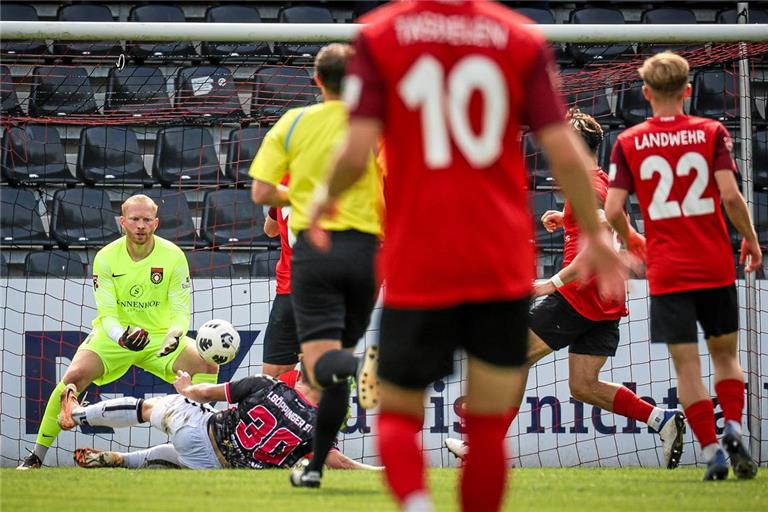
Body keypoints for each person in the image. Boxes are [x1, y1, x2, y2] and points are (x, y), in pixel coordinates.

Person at [308, 2, 628, 510]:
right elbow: (565, 149)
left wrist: (323, 201)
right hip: (498, 257)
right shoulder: (517, 36)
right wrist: (595, 232)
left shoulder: (383, 34)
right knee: (486, 420)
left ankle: (416, 502)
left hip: (421, 254)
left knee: (396, 409)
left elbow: (357, 147)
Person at [443, 109, 685, 468]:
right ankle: (661, 420)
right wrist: (570, 222)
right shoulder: (599, 180)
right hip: (605, 299)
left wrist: (549, 283)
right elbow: (617, 223)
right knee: (584, 386)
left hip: (579, 293)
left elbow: (595, 248)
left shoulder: (586, 184)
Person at [604, 52, 762, 481]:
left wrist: (634, 237)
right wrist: (749, 237)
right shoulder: (711, 132)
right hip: (712, 264)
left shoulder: (628, 141)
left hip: (668, 271)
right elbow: (730, 196)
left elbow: (612, 206)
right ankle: (732, 425)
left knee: (686, 367)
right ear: (688, 90)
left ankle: (711, 450)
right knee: (726, 358)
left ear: (646, 93)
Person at [249, 43, 383, 488]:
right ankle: (316, 460)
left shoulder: (293, 123)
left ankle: (315, 464)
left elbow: (262, 192)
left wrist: (299, 196)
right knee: (336, 361)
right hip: (366, 255)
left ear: (317, 81)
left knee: (324, 366)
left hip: (314, 256)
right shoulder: (376, 128)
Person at [17, 194, 219, 470]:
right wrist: (121, 336)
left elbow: (181, 311)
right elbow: (107, 314)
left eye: (146, 220)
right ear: (122, 222)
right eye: (134, 219)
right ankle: (36, 456)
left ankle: (205, 441)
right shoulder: (106, 257)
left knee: (206, 361)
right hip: (114, 336)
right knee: (72, 377)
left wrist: (176, 334)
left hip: (159, 336)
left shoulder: (173, 256)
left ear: (156, 223)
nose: (140, 226)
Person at [64, 368, 381, 471]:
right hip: (223, 468)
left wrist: (187, 388)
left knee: (149, 408)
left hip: (201, 432)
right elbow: (334, 460)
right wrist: (373, 470)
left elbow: (206, 394)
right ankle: (123, 460)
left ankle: (77, 416)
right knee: (178, 454)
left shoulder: (268, 385)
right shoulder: (317, 426)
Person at [261, 175, 300, 379]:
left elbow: (269, 230)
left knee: (273, 379)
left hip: (290, 293)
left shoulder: (286, 179)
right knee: (325, 375)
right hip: (329, 292)